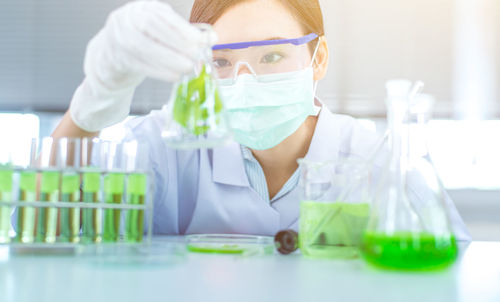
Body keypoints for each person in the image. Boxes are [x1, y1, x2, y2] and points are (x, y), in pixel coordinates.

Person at [51, 0, 470, 240]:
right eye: (221, 61)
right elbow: (46, 226)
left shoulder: (378, 159)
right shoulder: (168, 146)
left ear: (318, 58)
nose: (244, 83)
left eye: (271, 56)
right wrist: (91, 105)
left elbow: (453, 273)